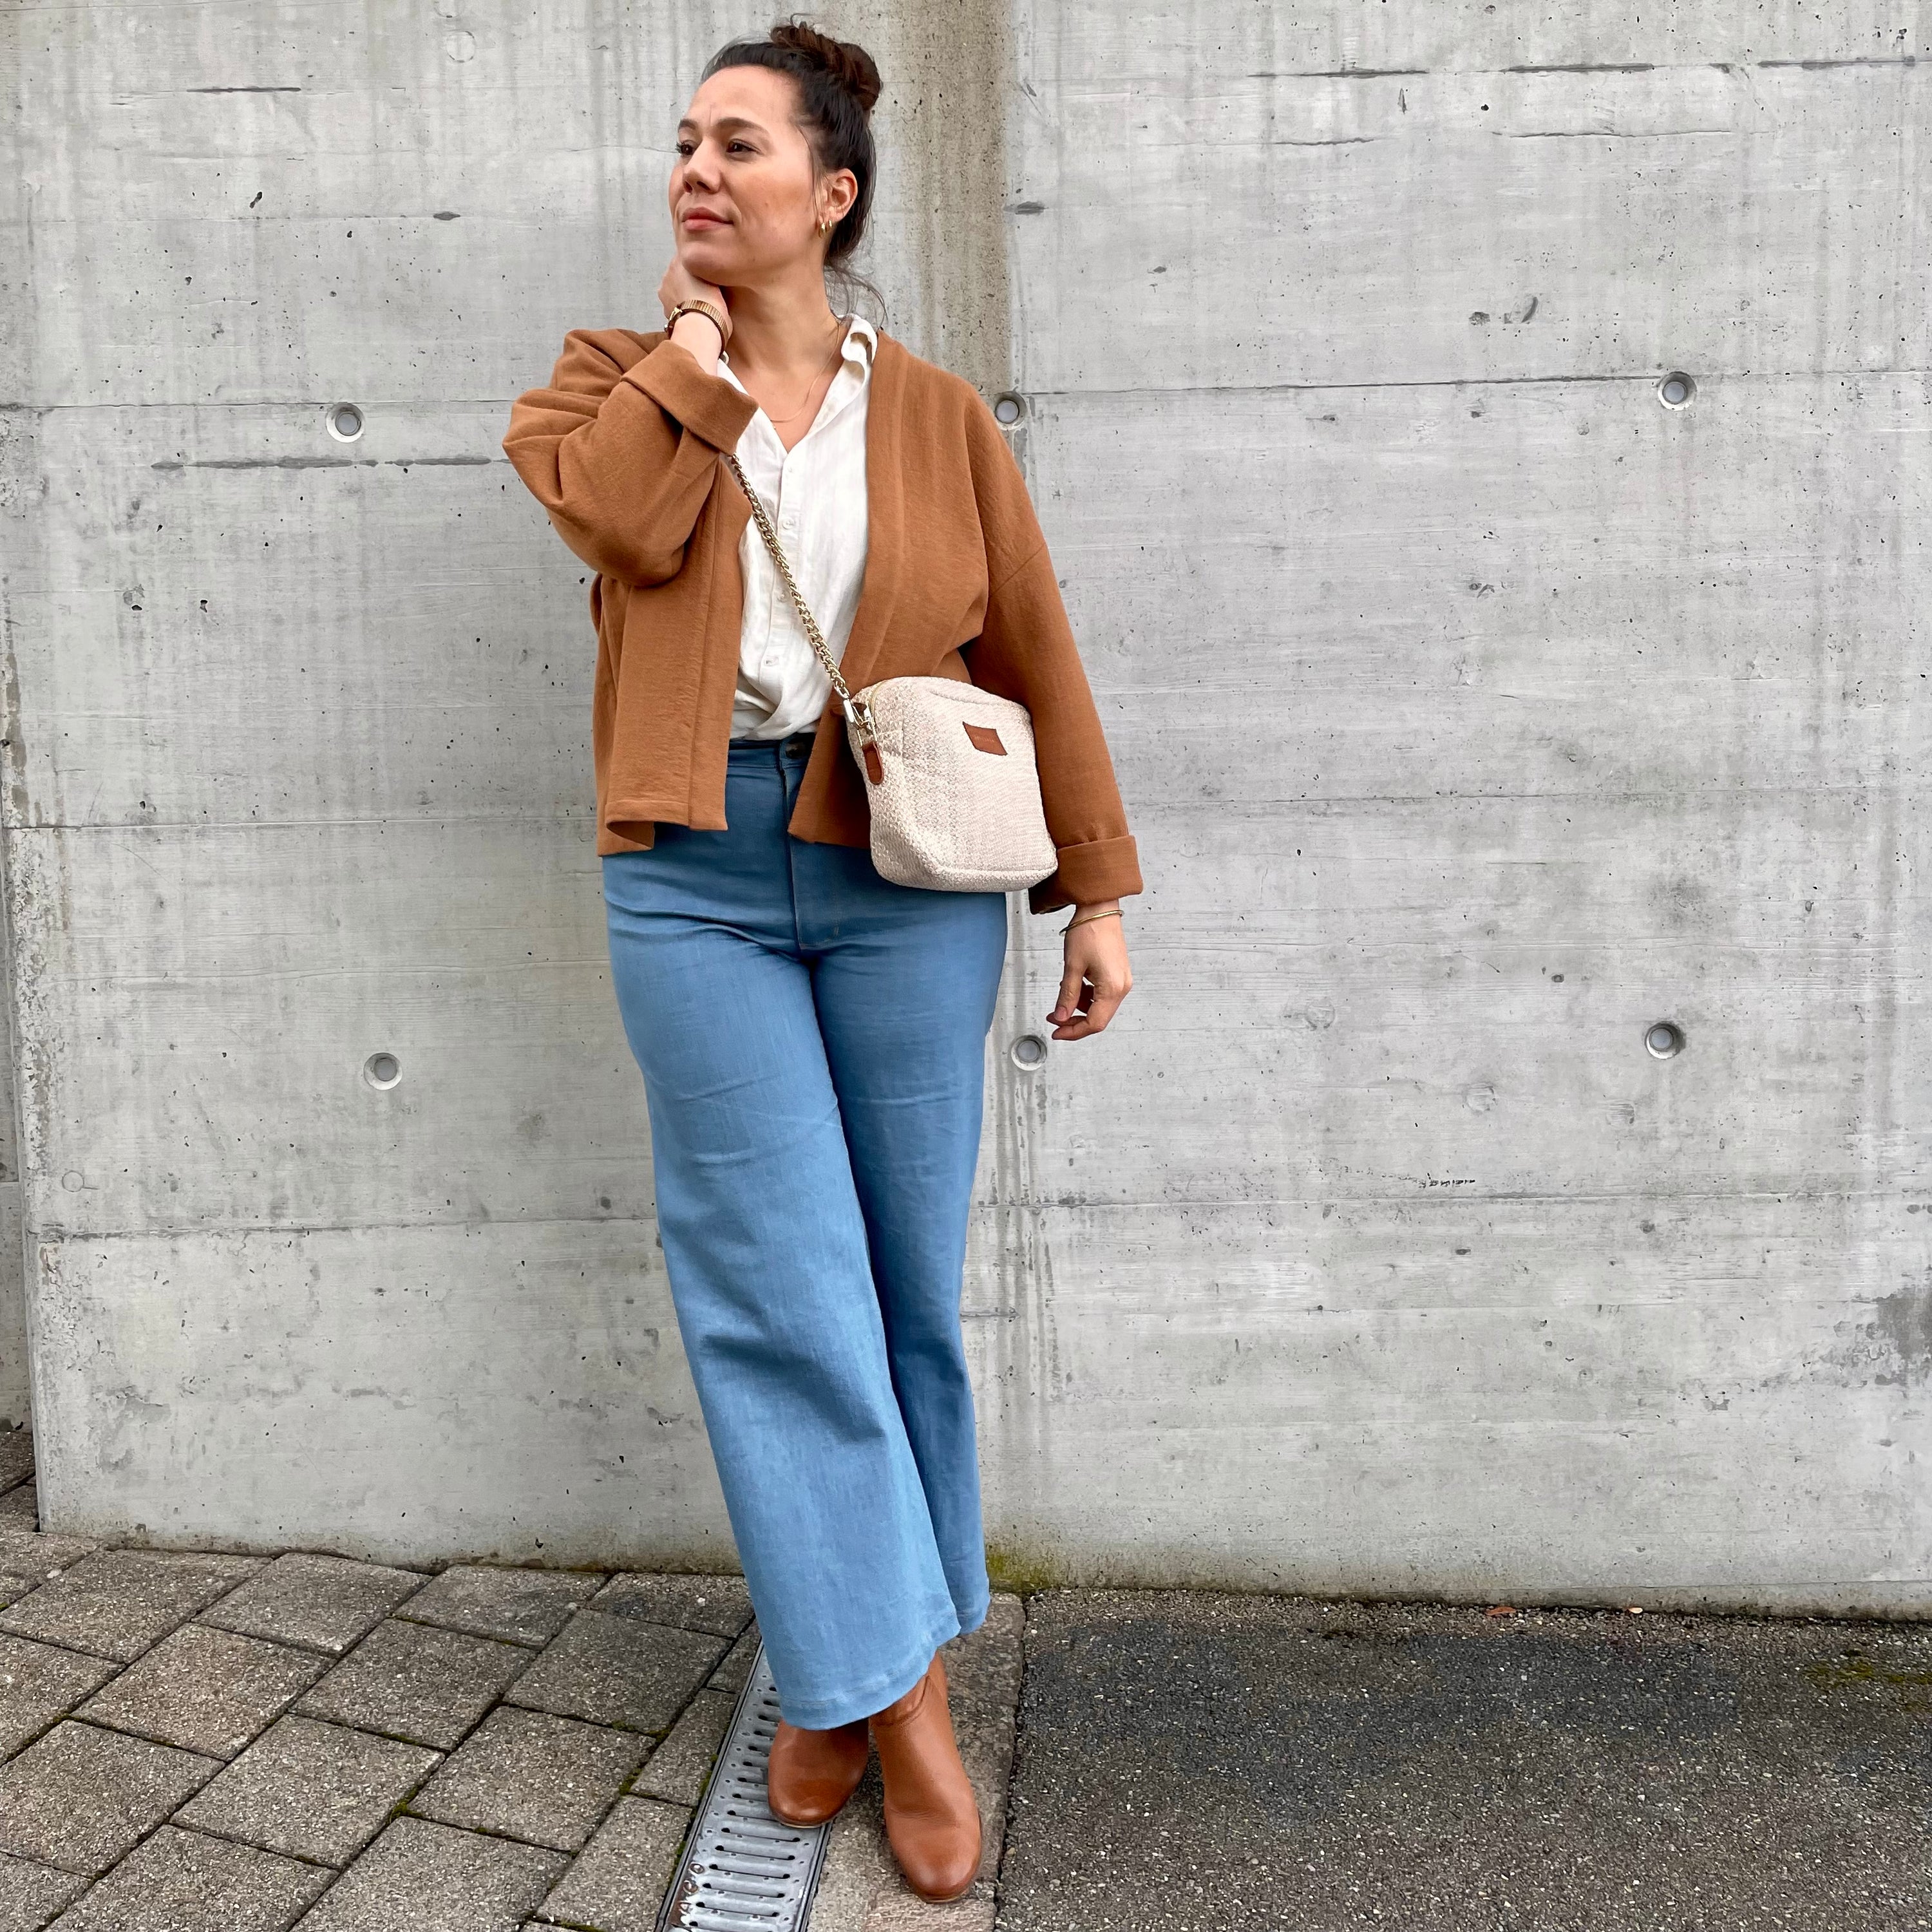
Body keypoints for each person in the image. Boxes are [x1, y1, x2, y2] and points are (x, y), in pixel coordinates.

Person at [502, 18, 1140, 1905]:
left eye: (741, 146)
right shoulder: (606, 385)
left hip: (906, 881)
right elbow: (620, 525)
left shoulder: (936, 415)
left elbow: (1031, 643)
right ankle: (893, 1697)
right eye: (684, 143)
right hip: (691, 880)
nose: (698, 171)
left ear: (832, 192)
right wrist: (694, 374)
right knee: (776, 1300)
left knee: (898, 1297)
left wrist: (1095, 892)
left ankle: (853, 1659)